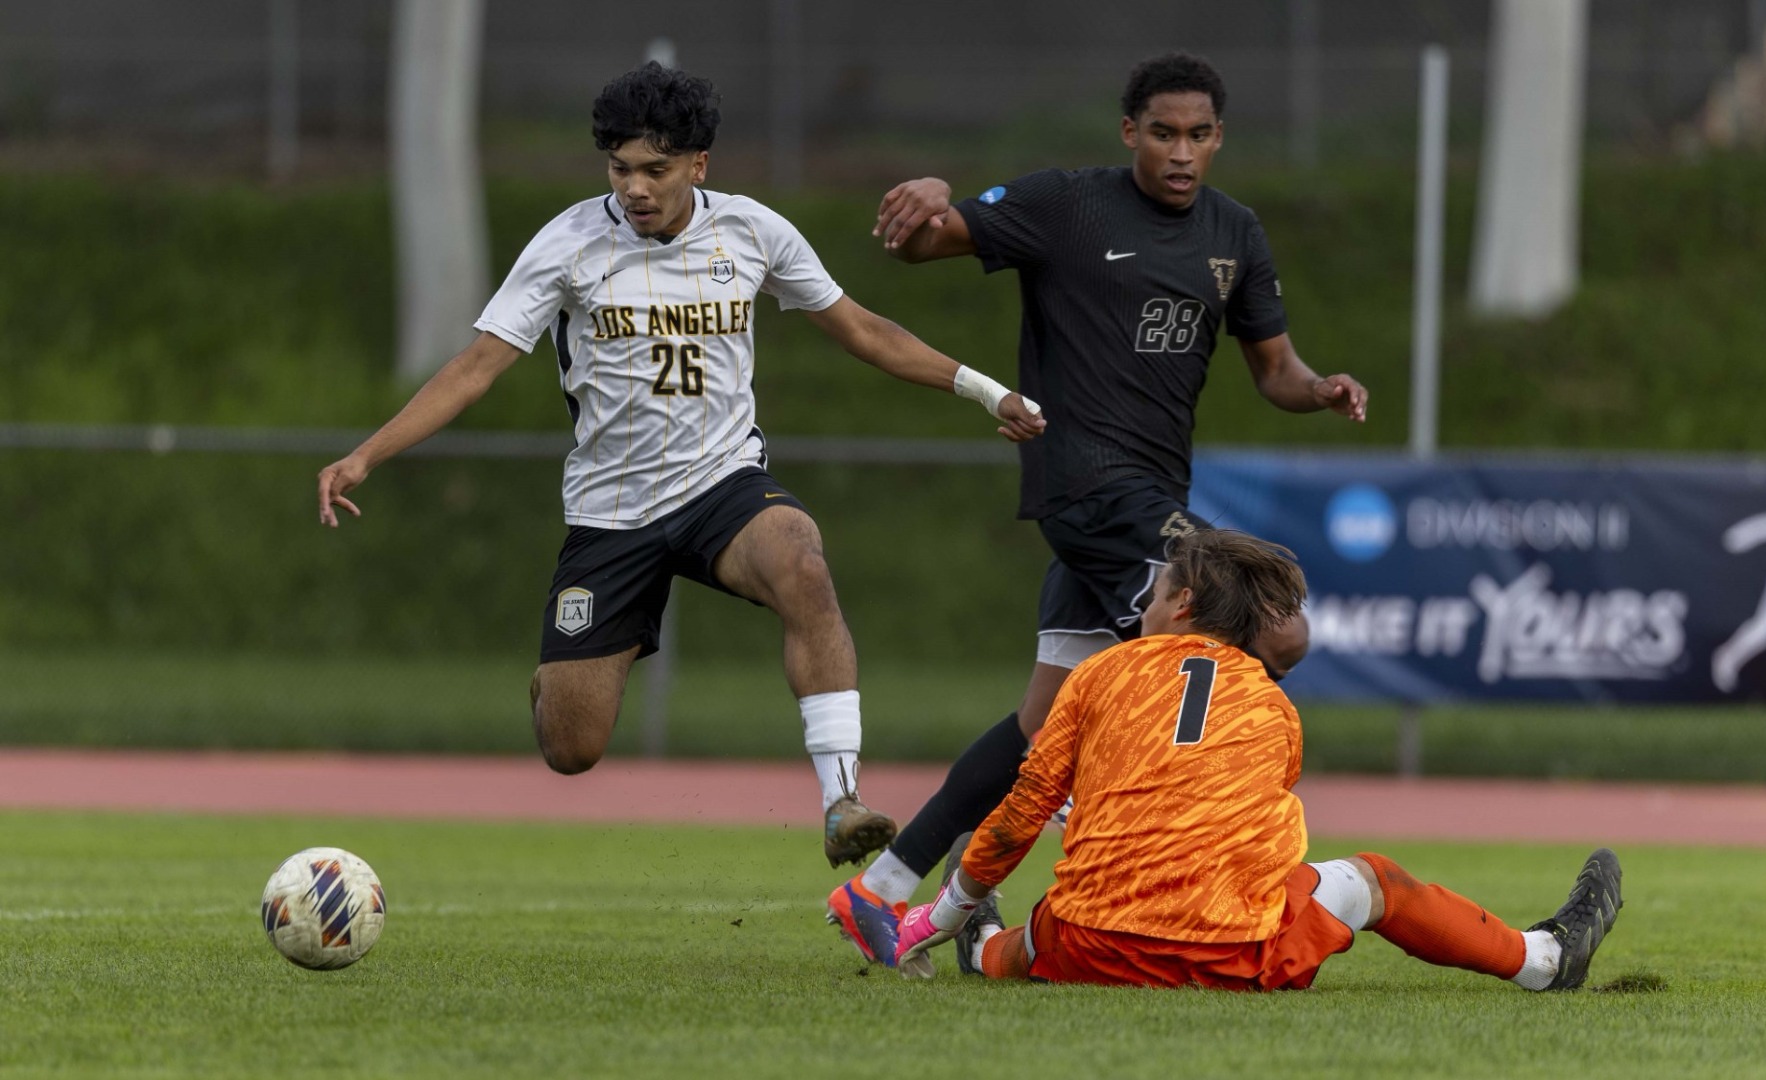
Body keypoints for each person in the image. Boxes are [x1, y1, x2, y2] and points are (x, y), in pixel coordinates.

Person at [315, 63, 1044, 868]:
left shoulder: (753, 233)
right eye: (620, 168)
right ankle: (555, 678)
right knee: (572, 747)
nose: (635, 187)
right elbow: (476, 365)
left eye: (655, 170)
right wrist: (365, 455)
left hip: (721, 485)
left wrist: (984, 390)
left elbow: (865, 331)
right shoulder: (568, 244)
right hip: (611, 514)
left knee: (801, 558)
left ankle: (841, 800)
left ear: (699, 164)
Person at [829, 51, 1368, 960]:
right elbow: (923, 242)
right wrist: (928, 191)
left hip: (1149, 499)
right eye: (1163, 133)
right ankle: (1177, 841)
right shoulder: (1067, 205)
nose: (1181, 152)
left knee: (1041, 726)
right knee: (1278, 632)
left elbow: (1275, 369)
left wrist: (1321, 390)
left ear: (1219, 137)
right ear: (1130, 134)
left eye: (1199, 135)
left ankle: (881, 893)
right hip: (1088, 485)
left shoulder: (1236, 231)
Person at [891, 529, 1625, 992]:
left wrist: (944, 908)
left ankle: (979, 940)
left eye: (1153, 594)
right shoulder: (1273, 707)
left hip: (1090, 945)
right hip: (1232, 957)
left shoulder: (1099, 673)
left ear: (1181, 606)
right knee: (1374, 879)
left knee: (1057, 930)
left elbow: (1023, 809)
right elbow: (1241, 828)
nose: (1142, 606)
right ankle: (1543, 960)